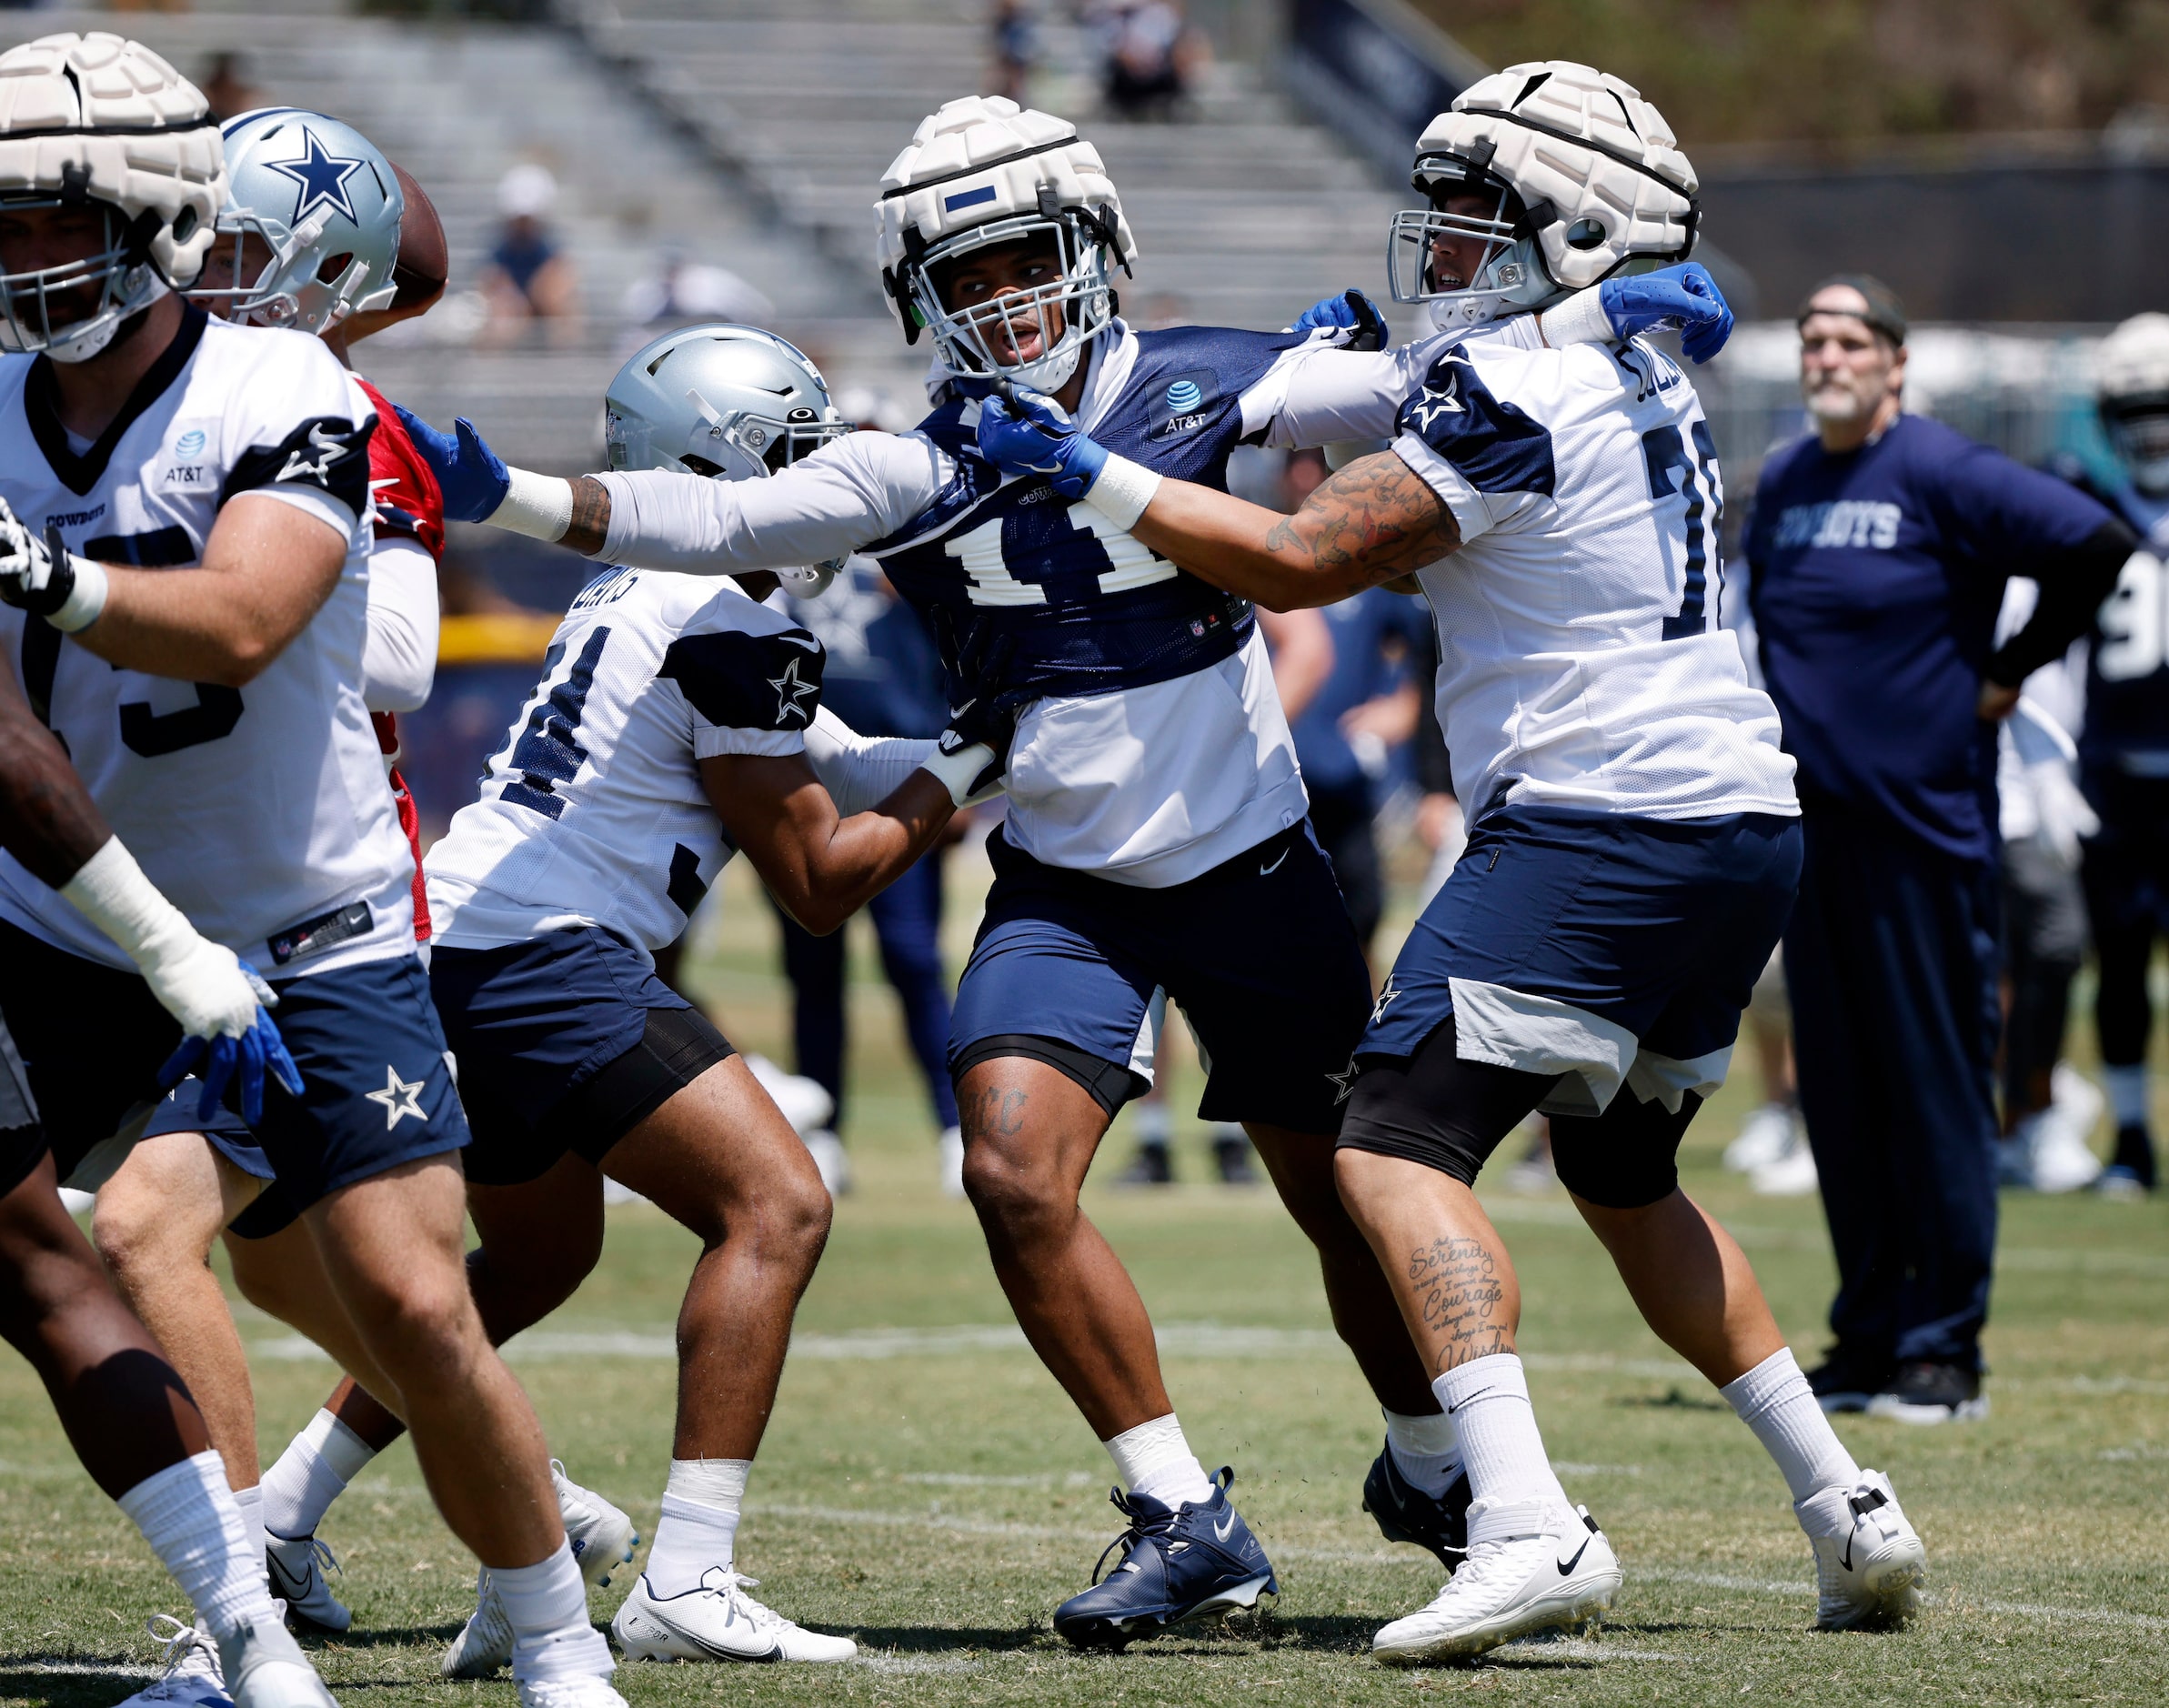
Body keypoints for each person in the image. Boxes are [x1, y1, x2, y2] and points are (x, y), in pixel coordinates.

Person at [401, 89, 1744, 1653]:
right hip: (1064, 878)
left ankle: (1447, 1468)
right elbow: (724, 510)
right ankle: (1181, 1507)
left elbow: (1433, 383)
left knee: (1350, 1195)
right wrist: (517, 496)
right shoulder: (921, 459)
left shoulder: (1213, 380)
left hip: (1249, 862)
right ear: (921, 299)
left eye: (1023, 261)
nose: (999, 302)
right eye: (962, 280)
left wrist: (1591, 327)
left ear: (1094, 249)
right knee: (1011, 1169)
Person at [972, 59, 1933, 1664]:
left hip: (1601, 812)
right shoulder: (1606, 362)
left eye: (1480, 210)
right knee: (1627, 1180)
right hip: (1740, 821)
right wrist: (1301, 378)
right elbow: (1322, 414)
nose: (1443, 235)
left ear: (1573, 230)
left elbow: (1296, 556)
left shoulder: (1524, 387)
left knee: (1390, 1145)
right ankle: (1848, 1502)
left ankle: (1519, 1518)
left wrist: (1101, 472)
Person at [0, 35, 624, 1708]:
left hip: (309, 917)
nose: (12, 261)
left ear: (141, 219)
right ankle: (244, 1626)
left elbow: (249, 617)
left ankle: (557, 1635)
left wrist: (38, 569)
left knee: (416, 1299)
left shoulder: (292, 389)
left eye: (37, 221)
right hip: (66, 922)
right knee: (115, 1244)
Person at [299, 324, 1025, 1673]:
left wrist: (980, 753)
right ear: (726, 465)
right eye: (793, 458)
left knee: (533, 1260)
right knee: (780, 1202)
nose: (814, 492)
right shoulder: (733, 620)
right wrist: (968, 762)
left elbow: (839, 757)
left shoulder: (652, 593)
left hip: (466, 942)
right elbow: (819, 876)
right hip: (547, 954)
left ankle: (287, 1510)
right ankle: (688, 1572)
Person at [1747, 276, 2132, 1423]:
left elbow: (2093, 543)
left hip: (1926, 834)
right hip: (1819, 841)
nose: (1828, 356)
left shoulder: (1942, 470)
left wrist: (2008, 673)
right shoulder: (1785, 483)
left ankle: (1943, 1348)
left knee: (1936, 1092)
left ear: (1896, 363)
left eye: (1850, 340)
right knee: (1846, 1101)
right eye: (1814, 340)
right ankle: (1866, 1333)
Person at [1, 642, 336, 1708]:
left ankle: (245, 1623)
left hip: (285, 936)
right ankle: (543, 1528)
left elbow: (385, 658)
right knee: (292, 1276)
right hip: (79, 931)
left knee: (119, 1239)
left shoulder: (305, 494)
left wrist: (77, 584)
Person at [772, 553, 968, 1196]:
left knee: (912, 960)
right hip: (799, 789)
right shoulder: (771, 545)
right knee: (813, 967)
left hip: (905, 782)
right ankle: (822, 1135)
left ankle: (955, 1130)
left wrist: (958, 775)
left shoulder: (908, 539)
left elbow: (955, 655)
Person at [2061, 312, 2169, 1195]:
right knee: (2120, 967)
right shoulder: (2085, 511)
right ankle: (2130, 1136)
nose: (2152, 428)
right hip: (2116, 779)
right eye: (2138, 409)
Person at [480, 164, 578, 347]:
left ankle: (562, 359)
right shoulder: (499, 253)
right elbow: (490, 284)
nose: (524, 225)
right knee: (502, 314)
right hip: (512, 314)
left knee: (559, 301)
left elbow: (554, 295)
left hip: (542, 309)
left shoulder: (552, 253)